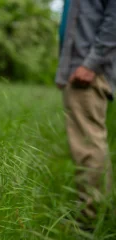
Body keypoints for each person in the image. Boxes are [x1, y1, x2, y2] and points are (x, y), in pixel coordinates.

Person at [56, 0, 116, 226]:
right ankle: (95, 212)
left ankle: (90, 220)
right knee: (87, 144)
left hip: (89, 72)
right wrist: (64, 71)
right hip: (78, 71)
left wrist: (90, 64)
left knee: (88, 146)